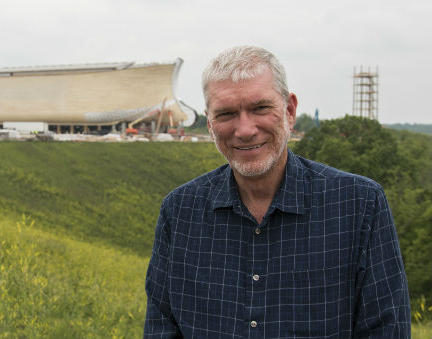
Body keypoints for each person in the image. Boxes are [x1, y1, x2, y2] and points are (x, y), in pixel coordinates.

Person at [144, 46, 410, 338]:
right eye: (227, 113)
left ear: (290, 110)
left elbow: (387, 330)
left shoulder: (359, 204)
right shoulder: (180, 211)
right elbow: (161, 328)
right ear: (209, 122)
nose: (245, 129)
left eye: (260, 108)